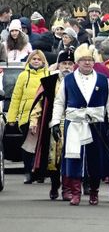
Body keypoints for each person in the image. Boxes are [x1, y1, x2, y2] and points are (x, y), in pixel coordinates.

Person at [49, 44, 109, 206]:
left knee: (95, 159)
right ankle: (75, 193)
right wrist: (55, 122)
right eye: (84, 60)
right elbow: (59, 103)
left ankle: (94, 192)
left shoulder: (103, 80)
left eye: (90, 60)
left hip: (96, 124)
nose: (87, 63)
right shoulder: (68, 79)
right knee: (74, 158)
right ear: (77, 62)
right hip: (74, 123)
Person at [29, 48, 75, 200]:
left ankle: (68, 188)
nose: (67, 67)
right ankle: (55, 185)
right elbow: (38, 104)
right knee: (53, 158)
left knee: (71, 156)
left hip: (74, 123)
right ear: (58, 65)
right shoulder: (49, 82)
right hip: (53, 124)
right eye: (64, 63)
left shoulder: (79, 81)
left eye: (70, 63)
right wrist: (34, 121)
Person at [7, 50, 49, 183]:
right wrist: (12, 118)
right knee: (27, 146)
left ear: (43, 61)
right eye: (33, 59)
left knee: (42, 146)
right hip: (25, 117)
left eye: (38, 59)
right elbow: (16, 97)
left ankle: (40, 173)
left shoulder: (48, 75)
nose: (36, 61)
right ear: (29, 61)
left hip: (43, 115)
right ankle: (28, 172)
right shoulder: (23, 76)